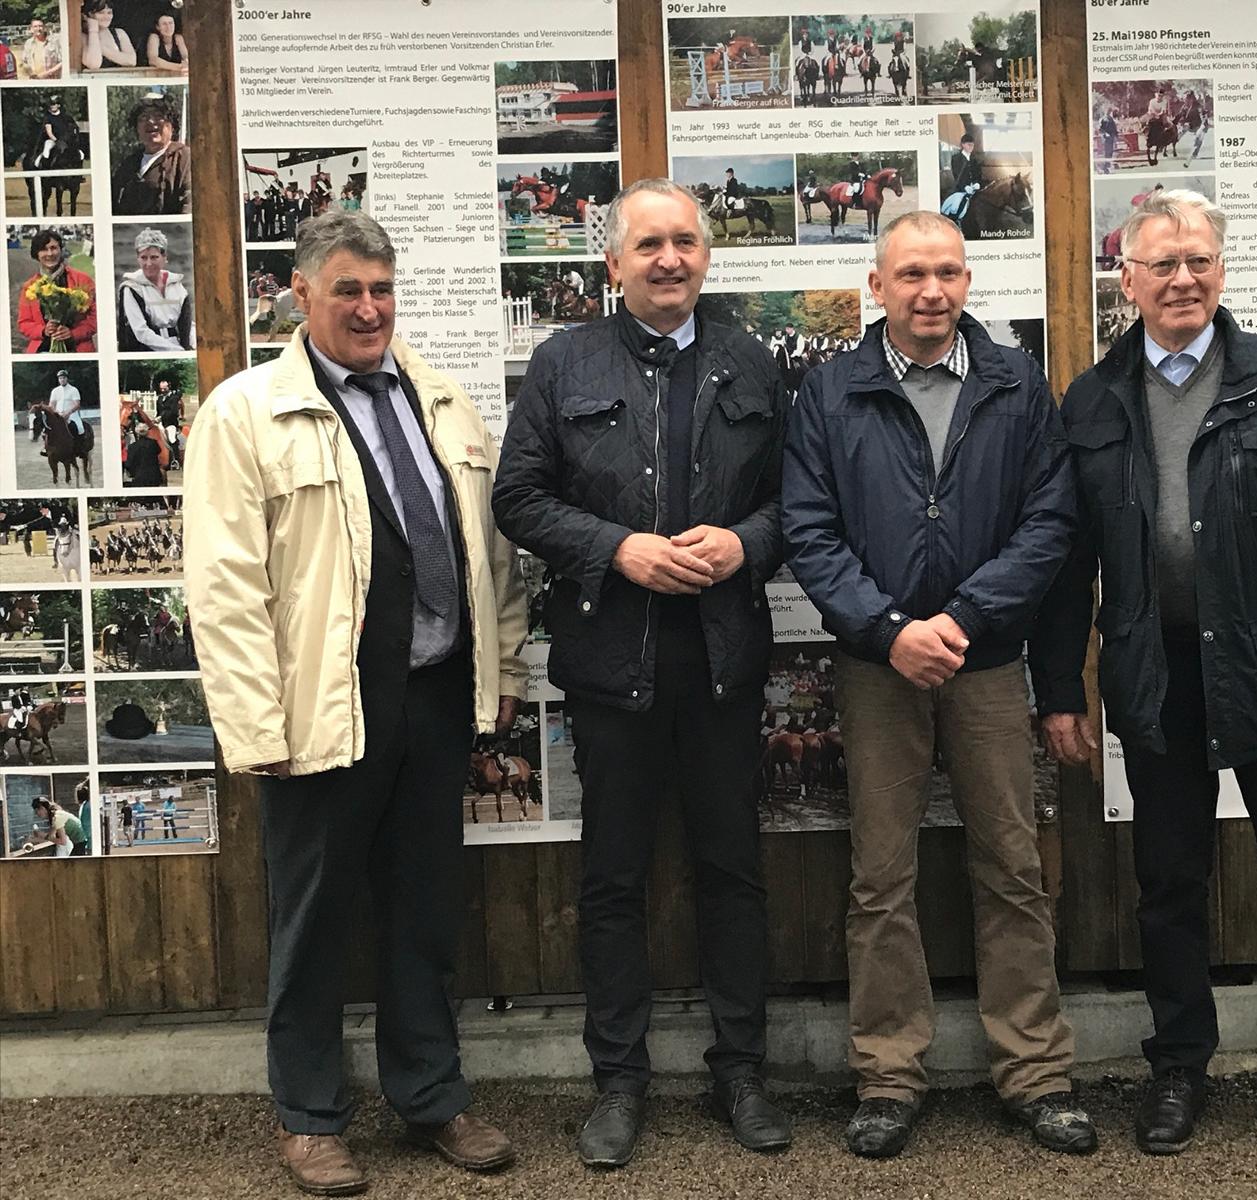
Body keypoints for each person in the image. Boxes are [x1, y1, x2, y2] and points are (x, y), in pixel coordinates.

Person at [1031, 189, 1257, 1167]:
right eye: (1160, 264)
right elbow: (1065, 565)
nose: (1180, 279)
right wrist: (1059, 686)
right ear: (1128, 279)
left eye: (1197, 262)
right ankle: (1179, 1068)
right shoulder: (1094, 401)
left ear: (1219, 272)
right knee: (1169, 884)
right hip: (1157, 682)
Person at [185, 210, 529, 1194]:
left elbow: (487, 559)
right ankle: (309, 1114)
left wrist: (497, 677)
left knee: (423, 910)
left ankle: (429, 1095)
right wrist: (256, 727)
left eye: (381, 290)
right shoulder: (246, 413)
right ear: (300, 295)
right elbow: (224, 586)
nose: (370, 309)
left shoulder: (444, 402)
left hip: (430, 698)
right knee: (314, 918)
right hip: (319, 711)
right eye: (348, 291)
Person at [492, 178, 791, 1169]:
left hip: (720, 666)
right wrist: (615, 548)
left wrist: (746, 542)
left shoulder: (752, 360)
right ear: (612, 263)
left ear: (706, 257)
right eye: (650, 245)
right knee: (613, 880)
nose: (670, 259)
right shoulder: (563, 360)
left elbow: (800, 501)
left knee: (732, 874)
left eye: (686, 243)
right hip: (608, 662)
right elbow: (518, 497)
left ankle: (740, 1072)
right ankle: (617, 1082)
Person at [782, 211, 1090, 1160]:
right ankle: (887, 1074)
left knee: (1012, 866)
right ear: (877, 287)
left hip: (988, 664)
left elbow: (1050, 520)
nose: (932, 291)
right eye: (911, 273)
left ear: (968, 281)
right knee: (881, 877)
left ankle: (1034, 1074)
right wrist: (888, 630)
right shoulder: (830, 394)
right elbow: (809, 529)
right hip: (880, 670)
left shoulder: (1015, 385)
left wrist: (962, 619)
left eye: (948, 272)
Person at [17, 228, 97, 353]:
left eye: (54, 248)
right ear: (36, 254)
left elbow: (95, 318)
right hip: (42, 349)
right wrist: (43, 331)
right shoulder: (30, 287)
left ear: (61, 250)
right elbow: (24, 323)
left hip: (78, 349)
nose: (50, 253)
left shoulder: (83, 280)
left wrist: (72, 334)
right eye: (44, 249)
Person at [110, 92, 191, 215]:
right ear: (136, 127)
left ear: (171, 125)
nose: (151, 121)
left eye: (159, 116)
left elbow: (189, 202)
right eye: (143, 117)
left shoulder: (183, 158)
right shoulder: (129, 164)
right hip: (128, 233)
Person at [118, 227, 194, 352]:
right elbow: (141, 331)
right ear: (138, 259)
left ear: (164, 258)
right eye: (143, 258)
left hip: (179, 345)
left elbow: (188, 324)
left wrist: (191, 346)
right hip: (148, 349)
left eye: (154, 257)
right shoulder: (132, 289)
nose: (148, 263)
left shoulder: (177, 285)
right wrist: (175, 351)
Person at [80, 0, 137, 70]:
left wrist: (102, 48)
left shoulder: (119, 33)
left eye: (109, 12)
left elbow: (132, 61)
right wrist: (93, 30)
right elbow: (93, 64)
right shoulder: (83, 36)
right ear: (89, 15)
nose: (106, 17)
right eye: (101, 13)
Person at [48, 369, 86, 439]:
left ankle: (80, 446)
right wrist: (57, 413)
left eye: (64, 378)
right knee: (47, 429)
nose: (62, 380)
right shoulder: (55, 391)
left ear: (67, 378)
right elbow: (51, 405)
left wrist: (68, 412)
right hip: (58, 414)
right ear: (58, 379)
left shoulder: (73, 390)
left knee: (80, 428)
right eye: (60, 378)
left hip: (71, 414)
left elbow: (77, 404)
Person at [54, 514, 82, 583]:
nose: (63, 525)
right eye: (62, 524)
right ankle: (55, 561)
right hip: (61, 539)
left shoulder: (68, 526)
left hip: (70, 536)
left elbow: (72, 530)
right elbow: (58, 533)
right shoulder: (60, 528)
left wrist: (72, 530)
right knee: (54, 544)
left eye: (64, 524)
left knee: (79, 536)